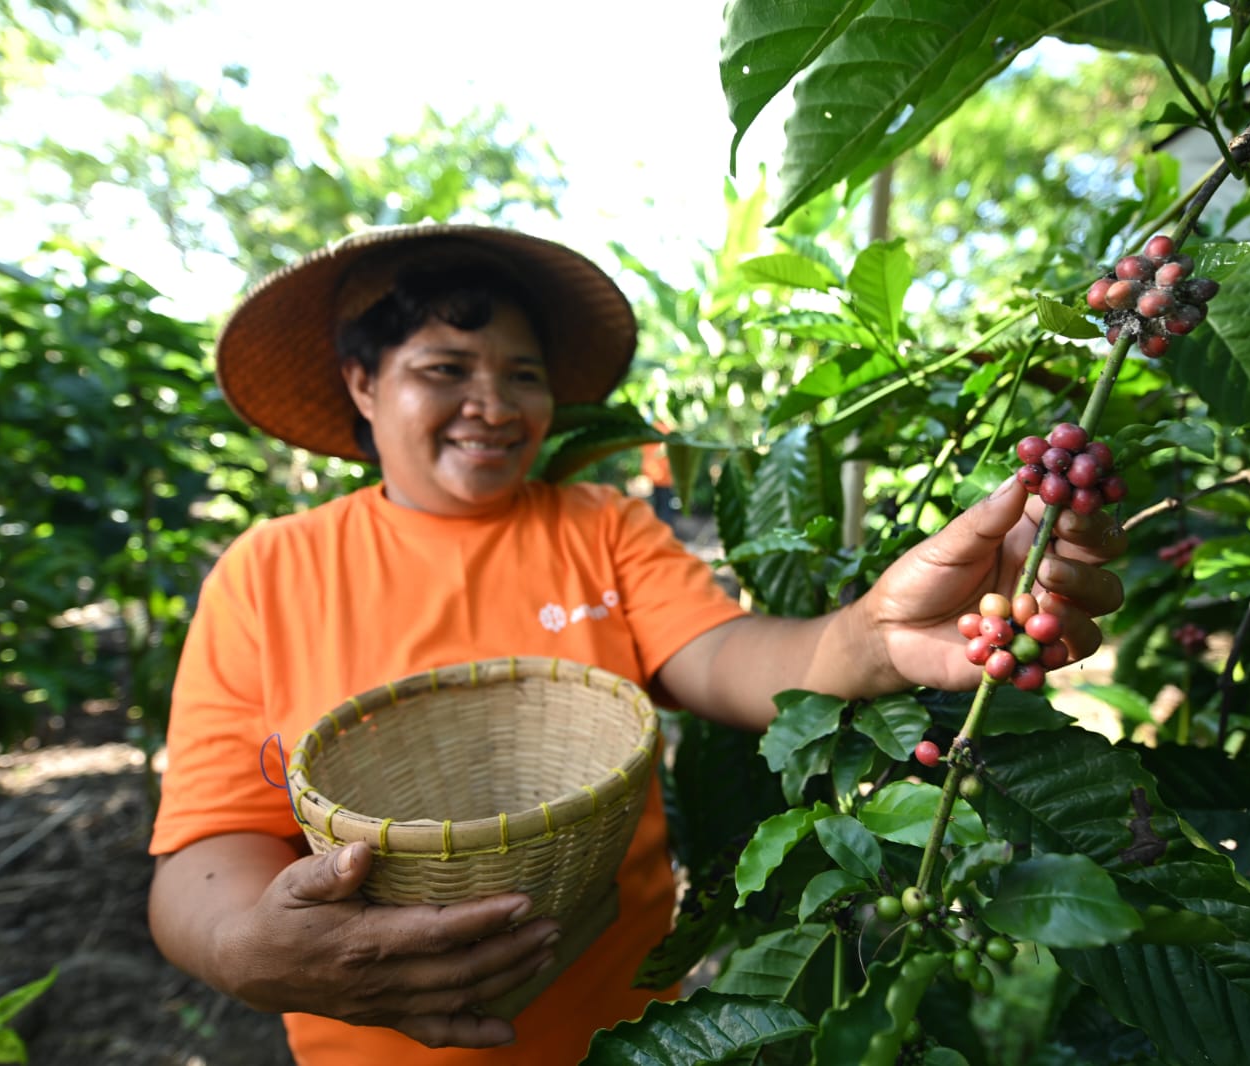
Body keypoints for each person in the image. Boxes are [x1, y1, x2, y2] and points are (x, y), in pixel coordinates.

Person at [146, 222, 1126, 1066]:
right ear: (363, 383)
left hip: (623, 1040)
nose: (493, 405)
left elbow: (726, 656)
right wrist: (248, 950)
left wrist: (874, 636)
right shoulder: (271, 570)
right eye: (445, 370)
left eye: (522, 376)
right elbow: (205, 845)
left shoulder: (598, 527)